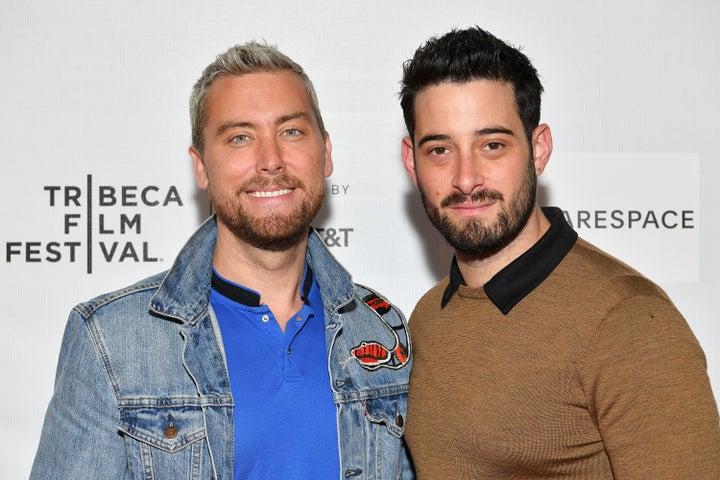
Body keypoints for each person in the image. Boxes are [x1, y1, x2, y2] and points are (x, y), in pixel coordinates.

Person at [30, 41, 413, 480]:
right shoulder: (110, 341)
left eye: (290, 131)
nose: (270, 161)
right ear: (201, 167)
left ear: (325, 153)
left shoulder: (382, 330)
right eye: (240, 138)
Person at [398, 26, 720, 478]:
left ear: (539, 148)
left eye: (492, 145)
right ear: (412, 161)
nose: (466, 178)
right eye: (440, 149)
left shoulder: (628, 323)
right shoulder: (426, 317)